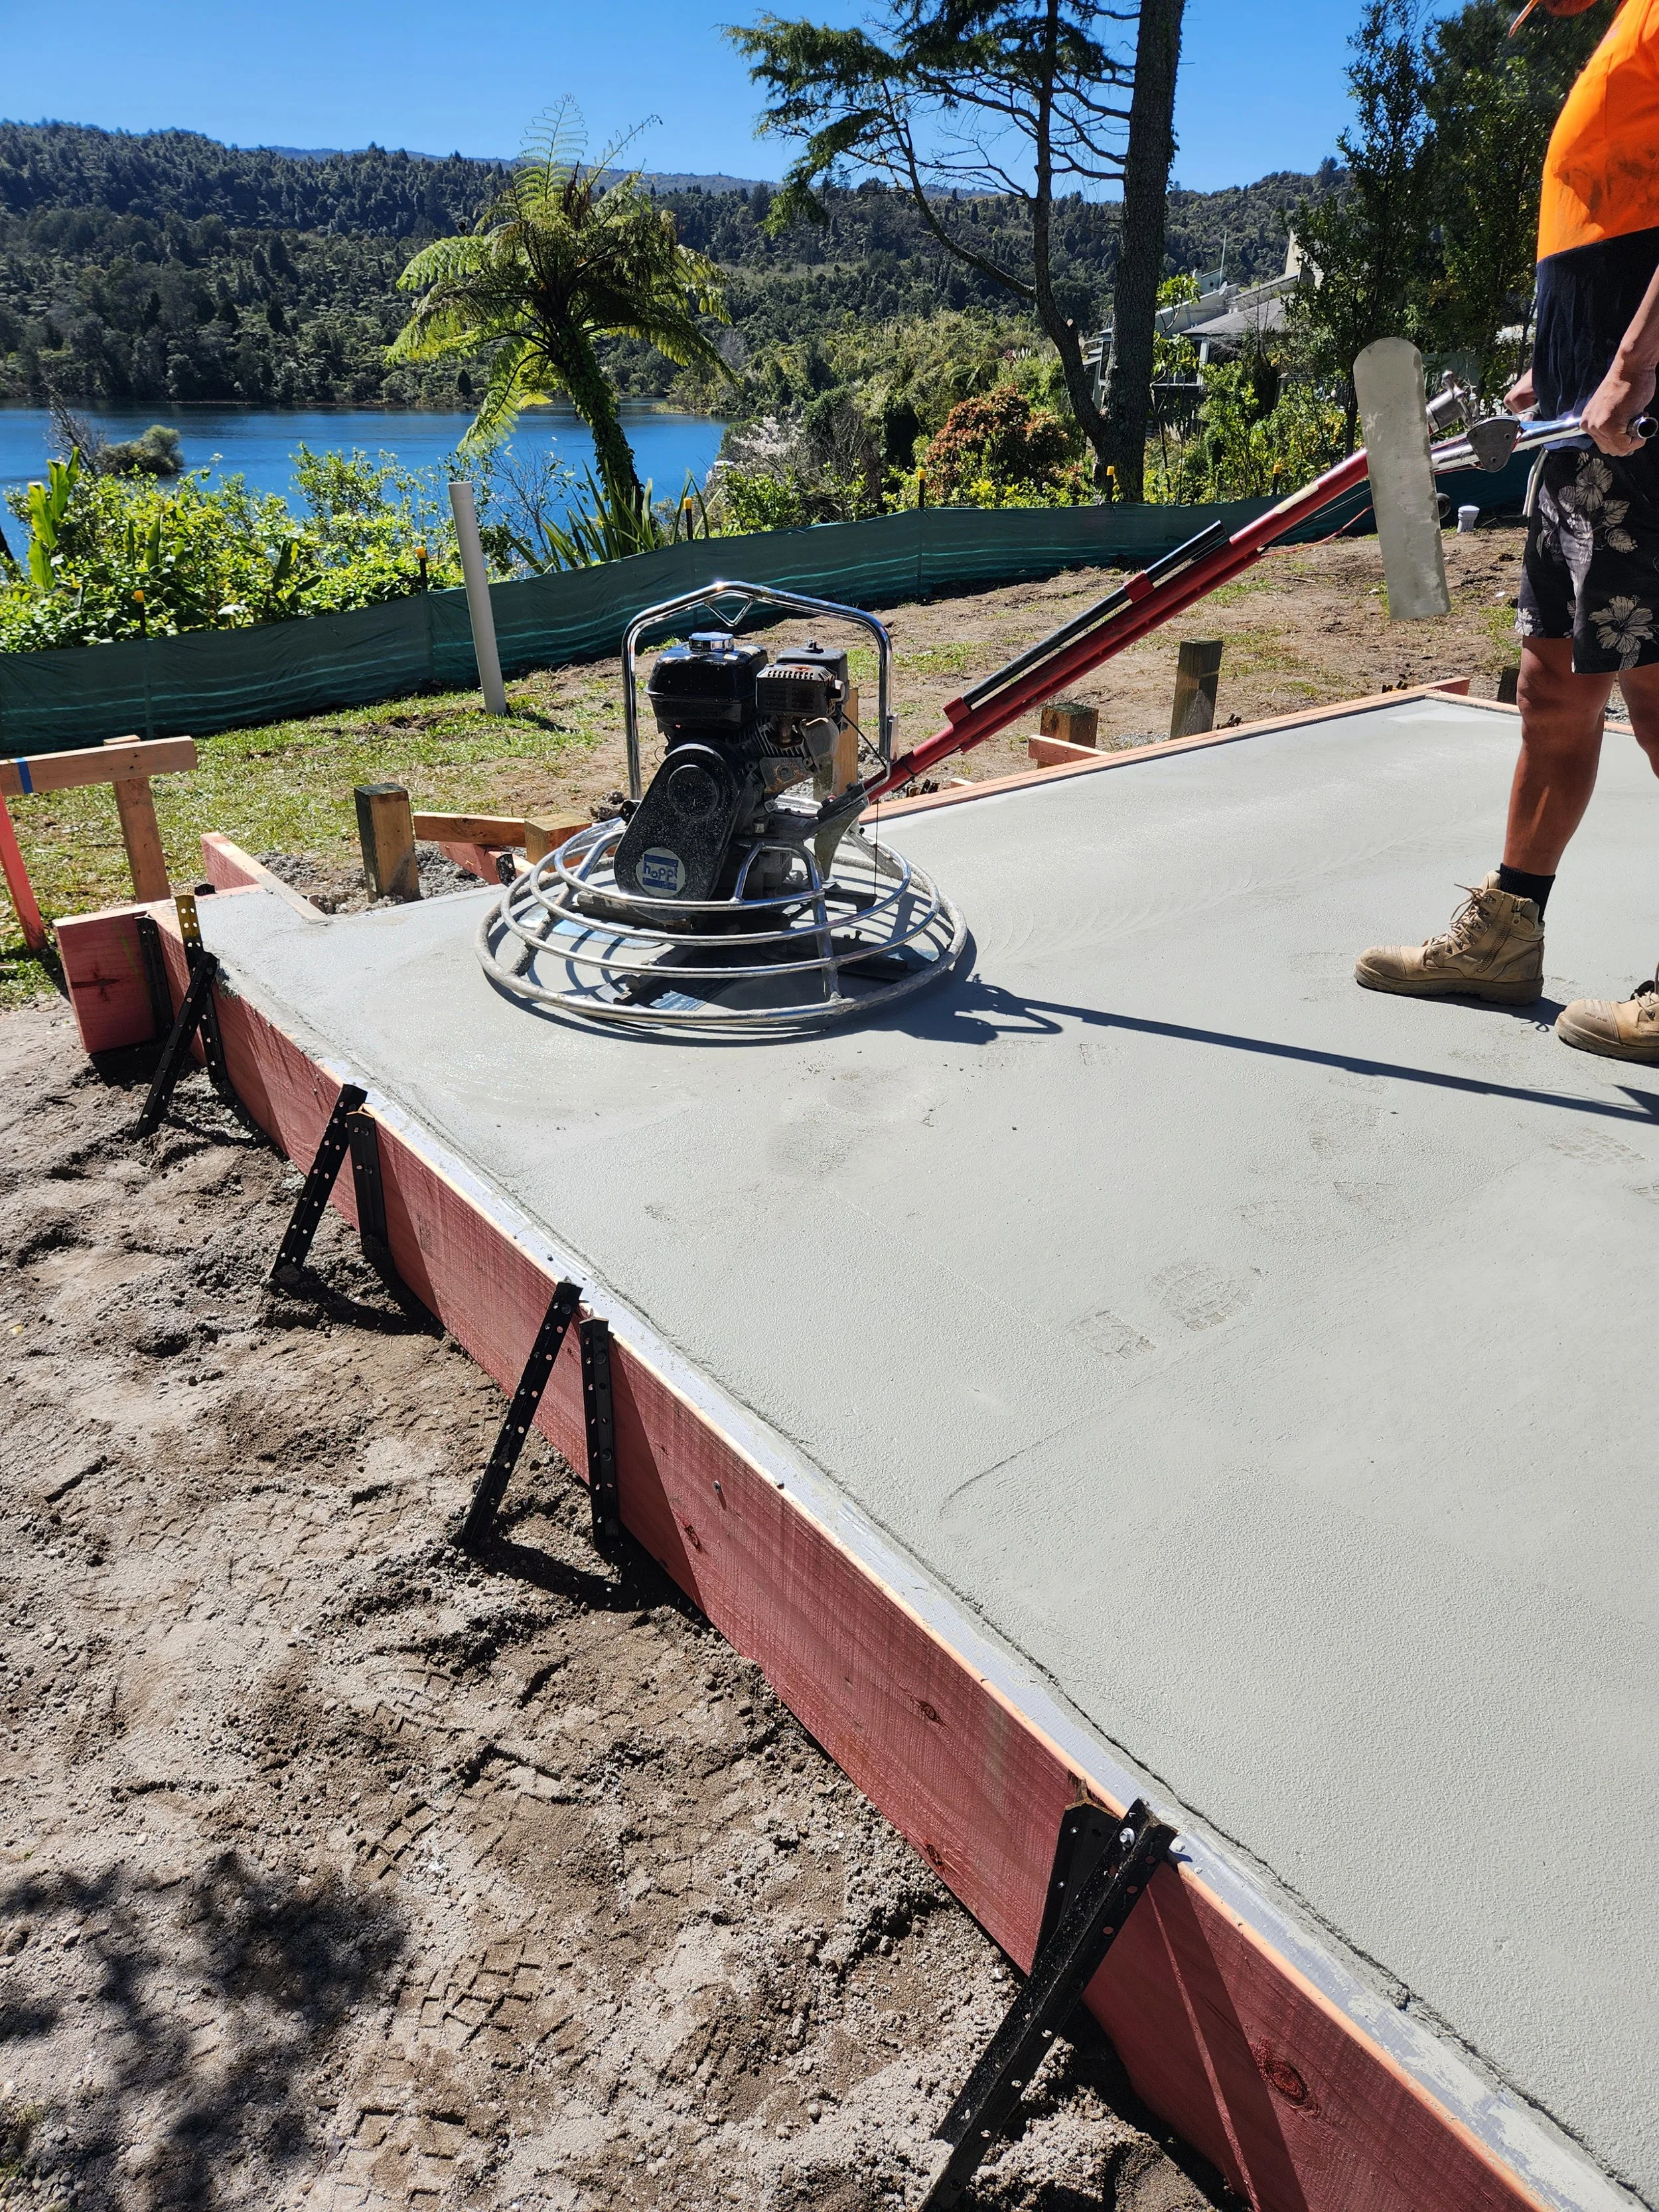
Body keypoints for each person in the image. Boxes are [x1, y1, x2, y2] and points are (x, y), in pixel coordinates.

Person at [1355, 0, 1659, 1062]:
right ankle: (1505, 939)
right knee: (1552, 689)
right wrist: (1560, 363)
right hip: (1582, 422)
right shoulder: (1626, 31)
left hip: (1638, 423)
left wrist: (1636, 361)